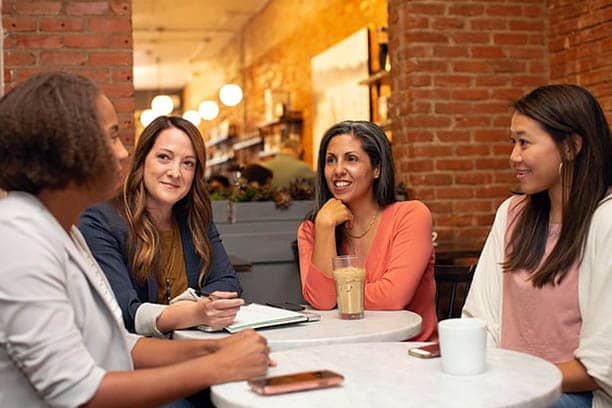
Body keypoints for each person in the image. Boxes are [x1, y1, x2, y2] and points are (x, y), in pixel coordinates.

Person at [0, 72, 270, 407]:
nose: (124, 154)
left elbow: (120, 344)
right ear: (68, 149)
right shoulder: (16, 237)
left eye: (188, 164)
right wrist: (216, 365)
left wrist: (213, 348)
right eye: (112, 138)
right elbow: (77, 393)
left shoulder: (62, 231)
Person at [462, 84, 612, 407]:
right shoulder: (512, 214)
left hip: (573, 394)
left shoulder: (605, 221)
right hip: (506, 385)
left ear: (571, 146)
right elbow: (480, 316)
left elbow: (601, 366)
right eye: (512, 142)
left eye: (525, 143)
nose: (513, 156)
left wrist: (518, 379)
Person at [79, 116, 243, 337]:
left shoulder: (196, 217)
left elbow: (228, 282)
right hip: (135, 359)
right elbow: (123, 312)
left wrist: (193, 308)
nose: (175, 172)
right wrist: (195, 312)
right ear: (142, 160)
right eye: (164, 157)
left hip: (194, 348)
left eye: (188, 163)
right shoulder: (100, 222)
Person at [297, 120, 437, 341]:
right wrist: (324, 228)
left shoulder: (411, 215)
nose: (338, 170)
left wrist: (338, 296)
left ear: (377, 169)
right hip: (348, 351)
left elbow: (393, 297)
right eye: (330, 160)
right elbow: (322, 302)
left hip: (410, 354)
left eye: (351, 159)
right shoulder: (312, 228)